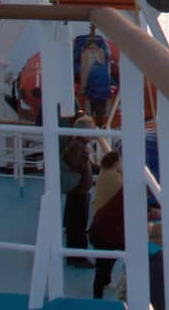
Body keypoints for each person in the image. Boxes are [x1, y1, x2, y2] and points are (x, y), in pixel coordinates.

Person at [61, 115, 97, 268]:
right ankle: (78, 257)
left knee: (76, 224)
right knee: (78, 225)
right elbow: (76, 165)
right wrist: (84, 160)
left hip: (78, 192)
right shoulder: (77, 147)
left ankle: (75, 255)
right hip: (78, 192)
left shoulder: (77, 145)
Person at [88, 183, 125, 299]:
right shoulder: (126, 196)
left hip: (105, 231)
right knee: (102, 267)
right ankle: (97, 298)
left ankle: (105, 283)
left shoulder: (124, 193)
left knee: (110, 259)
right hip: (102, 234)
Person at [76, 34, 113, 127]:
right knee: (101, 112)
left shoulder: (87, 61)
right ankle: (102, 125)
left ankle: (91, 125)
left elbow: (85, 81)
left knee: (91, 112)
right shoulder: (104, 65)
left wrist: (83, 89)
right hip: (103, 94)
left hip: (93, 94)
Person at [91, 148, 122, 217]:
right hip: (106, 213)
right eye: (120, 161)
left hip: (99, 211)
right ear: (116, 162)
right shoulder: (113, 176)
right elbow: (123, 193)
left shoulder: (103, 172)